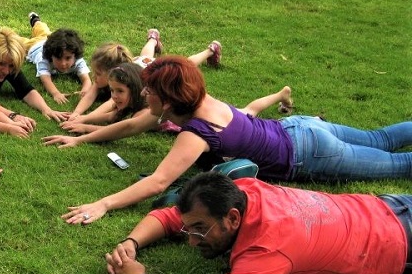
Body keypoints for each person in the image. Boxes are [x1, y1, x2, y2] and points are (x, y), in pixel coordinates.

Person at [63, 56, 412, 225]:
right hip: (298, 127)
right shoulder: (200, 98)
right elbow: (131, 126)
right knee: (379, 137)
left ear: (167, 101)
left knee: (399, 165)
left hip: (310, 153)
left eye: (149, 91)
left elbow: (159, 181)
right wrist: (85, 136)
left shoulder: (195, 132)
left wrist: (104, 204)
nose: (145, 96)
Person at [105, 172, 412, 274]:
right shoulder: (243, 190)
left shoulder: (267, 248)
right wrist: (132, 243)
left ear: (234, 218)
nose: (192, 241)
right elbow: (171, 216)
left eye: (200, 229)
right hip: (386, 205)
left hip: (400, 247)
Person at [44, 62, 293, 151]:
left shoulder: (151, 109)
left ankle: (281, 93)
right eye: (113, 91)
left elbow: (124, 126)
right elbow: (112, 118)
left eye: (120, 91)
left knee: (249, 111)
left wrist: (83, 133)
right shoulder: (145, 102)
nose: (115, 96)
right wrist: (81, 121)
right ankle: (280, 94)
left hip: (225, 121)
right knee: (248, 112)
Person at [69, 30, 222, 120]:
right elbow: (91, 93)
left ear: (113, 73)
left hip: (151, 69)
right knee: (145, 55)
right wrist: (76, 113)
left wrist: (85, 119)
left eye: (97, 74)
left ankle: (210, 50)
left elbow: (109, 105)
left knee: (186, 64)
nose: (94, 78)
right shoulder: (111, 76)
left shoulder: (121, 82)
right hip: (141, 62)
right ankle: (153, 39)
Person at [22, 13, 92, 105]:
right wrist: (56, 93)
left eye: (68, 58)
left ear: (75, 55)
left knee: (43, 30)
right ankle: (0, 31)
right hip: (33, 45)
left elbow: (86, 79)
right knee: (16, 41)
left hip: (48, 38)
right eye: (58, 58)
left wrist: (85, 91)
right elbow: (45, 79)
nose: (63, 63)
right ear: (51, 55)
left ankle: (36, 20)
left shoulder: (77, 60)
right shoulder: (44, 59)